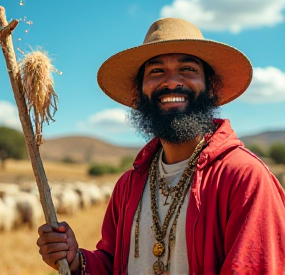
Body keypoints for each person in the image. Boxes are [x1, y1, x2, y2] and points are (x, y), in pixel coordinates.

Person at [37, 18, 285, 275]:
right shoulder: (128, 185)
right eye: (156, 71)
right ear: (139, 92)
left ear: (211, 87)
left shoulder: (243, 178)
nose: (171, 82)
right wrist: (76, 259)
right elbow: (115, 265)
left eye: (187, 69)